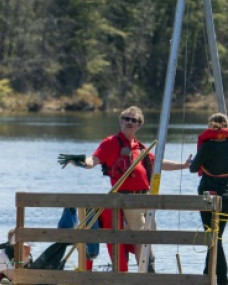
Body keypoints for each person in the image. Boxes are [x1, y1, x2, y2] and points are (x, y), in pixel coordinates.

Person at [59, 106, 191, 270]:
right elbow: (93, 161)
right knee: (143, 237)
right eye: (126, 119)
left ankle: (145, 272)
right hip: (127, 198)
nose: (129, 122)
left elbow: (159, 163)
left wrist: (183, 165)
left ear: (139, 125)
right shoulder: (110, 143)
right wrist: (77, 160)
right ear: (121, 121)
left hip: (146, 199)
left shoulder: (141, 147)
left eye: (133, 120)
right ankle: (146, 274)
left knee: (148, 237)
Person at [189, 112, 228, 285]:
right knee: (216, 238)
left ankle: (221, 279)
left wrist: (195, 161)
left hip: (209, 198)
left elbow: (193, 168)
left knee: (213, 239)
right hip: (227, 196)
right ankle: (207, 274)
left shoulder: (208, 146)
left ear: (211, 126)